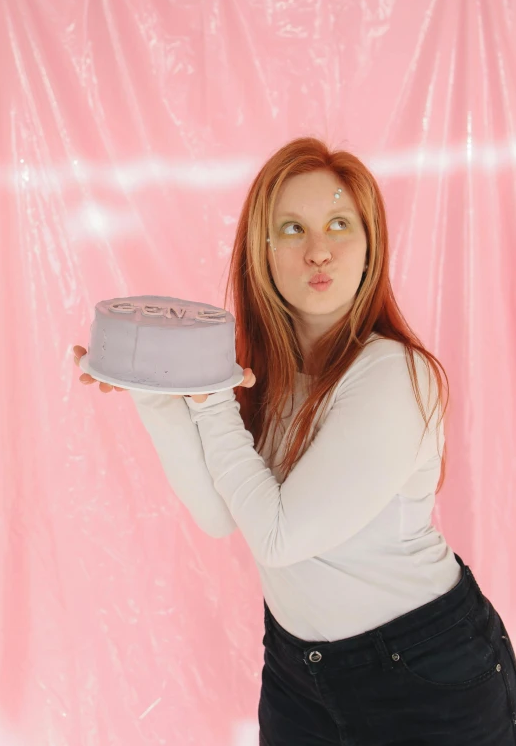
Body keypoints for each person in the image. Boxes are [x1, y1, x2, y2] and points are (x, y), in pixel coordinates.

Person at [73, 137, 516, 745]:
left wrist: (210, 392)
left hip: (423, 675)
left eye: (339, 224)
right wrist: (151, 386)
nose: (318, 250)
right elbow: (219, 515)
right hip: (297, 670)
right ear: (262, 249)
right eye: (291, 228)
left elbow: (280, 537)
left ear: (370, 246)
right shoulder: (271, 375)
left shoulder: (395, 374)